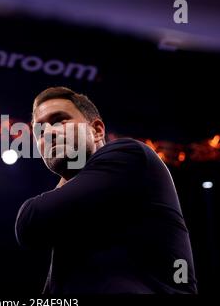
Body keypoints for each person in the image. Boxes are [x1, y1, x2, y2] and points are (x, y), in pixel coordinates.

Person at [15, 86, 197, 294]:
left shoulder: (129, 155)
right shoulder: (74, 209)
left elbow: (29, 221)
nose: (48, 133)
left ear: (97, 130)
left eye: (59, 121)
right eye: (39, 130)